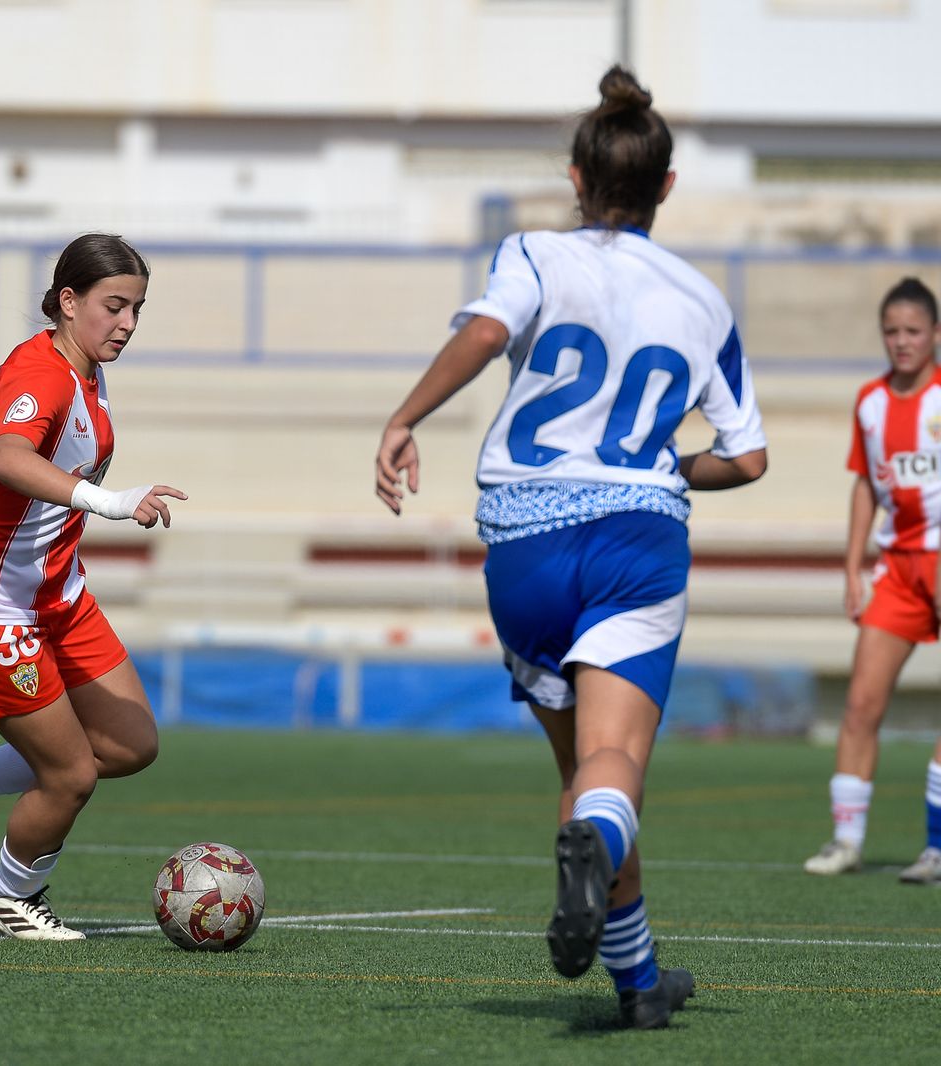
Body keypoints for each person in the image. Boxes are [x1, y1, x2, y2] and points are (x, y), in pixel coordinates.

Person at [373, 67, 767, 1029]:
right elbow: (748, 457)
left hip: (523, 546)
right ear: (666, 187)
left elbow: (488, 328)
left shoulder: (535, 251)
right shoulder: (706, 302)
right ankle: (598, 867)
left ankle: (638, 985)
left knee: (583, 774)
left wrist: (404, 416)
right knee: (611, 766)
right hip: (635, 540)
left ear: (576, 177)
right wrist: (672, 469)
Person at [0, 233, 185, 940]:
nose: (127, 323)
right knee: (70, 775)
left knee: (130, 746)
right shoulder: (44, 374)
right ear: (68, 302)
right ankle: (11, 898)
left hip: (58, 598)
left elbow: (3, 398)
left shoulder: (78, 367)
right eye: (114, 306)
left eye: (136, 308)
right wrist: (109, 501)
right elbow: (9, 456)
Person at [803, 277, 941, 884]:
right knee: (861, 705)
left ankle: (936, 847)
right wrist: (853, 564)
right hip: (897, 569)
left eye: (913, 331)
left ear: (935, 334)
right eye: (892, 331)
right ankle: (846, 841)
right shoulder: (871, 402)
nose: (902, 342)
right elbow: (865, 484)